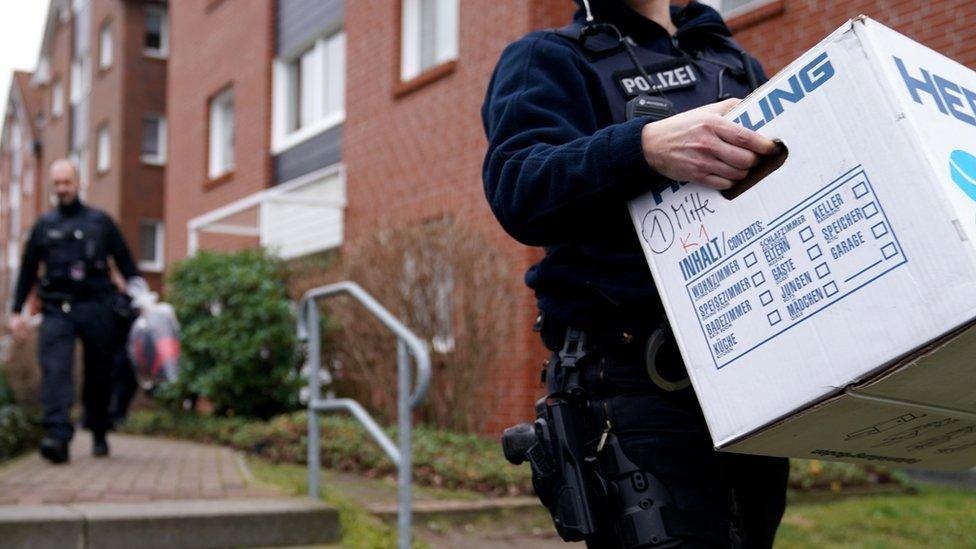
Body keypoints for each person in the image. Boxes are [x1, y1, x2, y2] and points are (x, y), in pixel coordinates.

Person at [482, 0, 789, 546]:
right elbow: (518, 186)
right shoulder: (548, 58)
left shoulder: (734, 62)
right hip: (634, 383)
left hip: (750, 370)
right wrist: (643, 147)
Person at [8, 159, 145, 464]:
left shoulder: (101, 223)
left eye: (66, 182)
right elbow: (29, 269)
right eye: (56, 184)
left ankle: (98, 430)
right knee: (55, 370)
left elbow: (125, 262)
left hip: (97, 306)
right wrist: (17, 310)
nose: (62, 189)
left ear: (78, 183)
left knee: (99, 374)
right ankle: (57, 438)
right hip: (57, 308)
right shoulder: (44, 227)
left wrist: (141, 296)